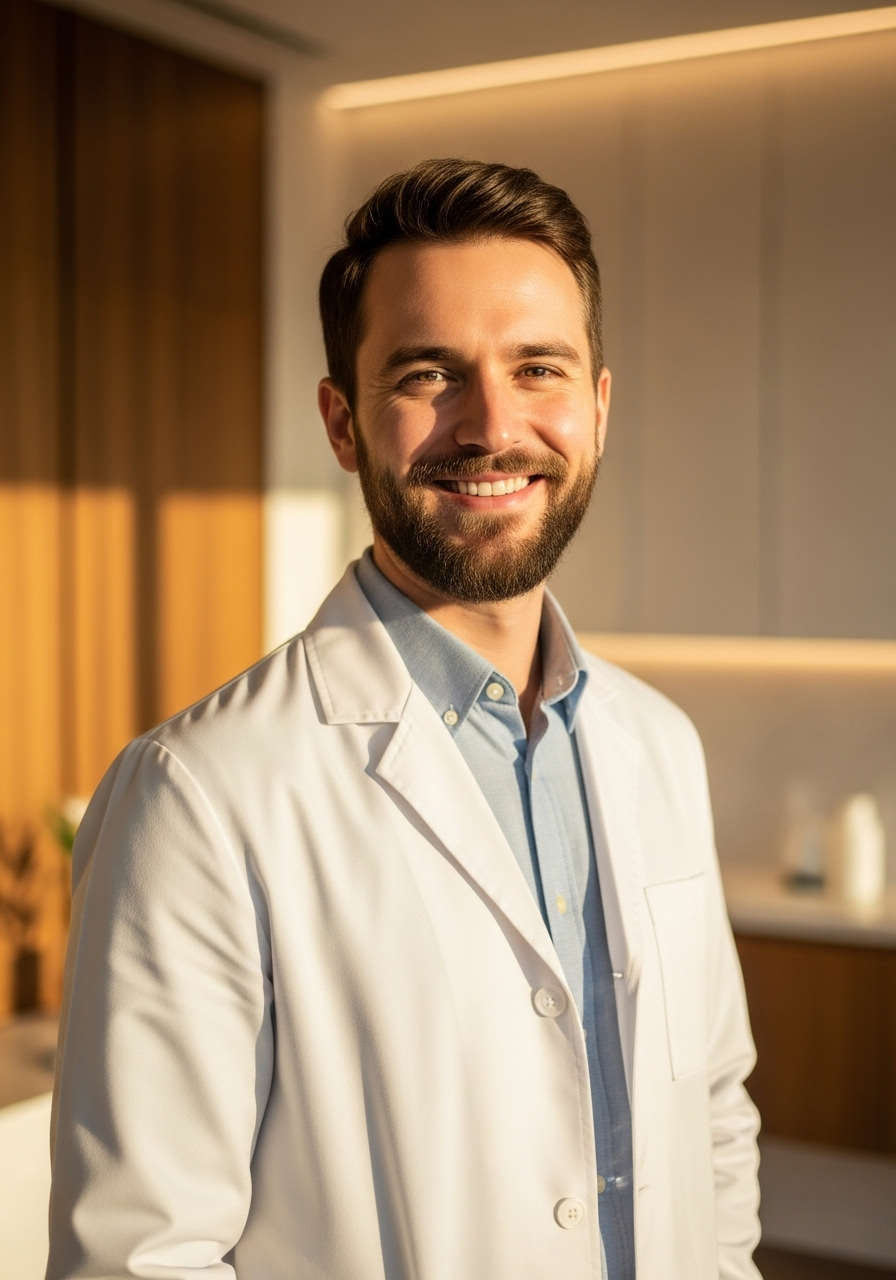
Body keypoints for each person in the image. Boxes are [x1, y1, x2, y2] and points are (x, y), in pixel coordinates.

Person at [48, 158, 760, 1280]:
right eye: (429, 373)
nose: (491, 425)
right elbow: (141, 1255)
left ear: (597, 406)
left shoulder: (657, 744)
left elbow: (710, 1109)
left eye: (538, 367)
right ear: (341, 422)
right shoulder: (198, 792)